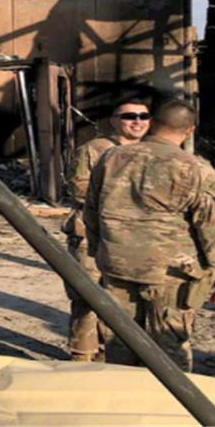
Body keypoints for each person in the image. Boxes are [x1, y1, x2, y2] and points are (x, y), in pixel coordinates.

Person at [84, 100, 215, 371]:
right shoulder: (195, 168)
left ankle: (124, 401)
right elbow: (213, 227)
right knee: (169, 345)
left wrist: (99, 250)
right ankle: (171, 404)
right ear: (190, 130)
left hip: (117, 263)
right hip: (170, 274)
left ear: (152, 123)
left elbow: (91, 210)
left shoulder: (112, 158)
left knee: (120, 340)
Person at [61, 100, 151, 361]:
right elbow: (79, 189)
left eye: (144, 116)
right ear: (113, 121)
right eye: (129, 116)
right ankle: (82, 355)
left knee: (124, 299)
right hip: (92, 233)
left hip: (133, 239)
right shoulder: (94, 150)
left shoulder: (150, 153)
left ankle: (110, 354)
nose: (137, 121)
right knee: (87, 296)